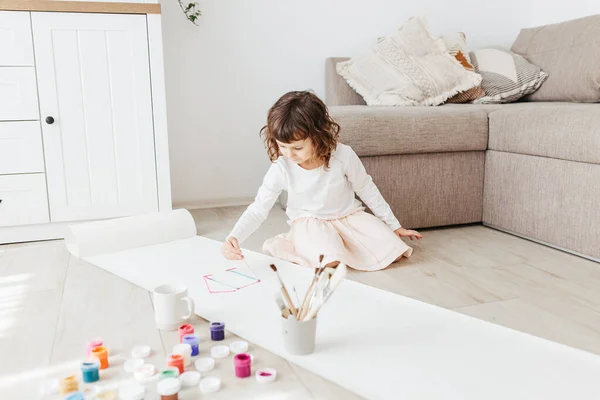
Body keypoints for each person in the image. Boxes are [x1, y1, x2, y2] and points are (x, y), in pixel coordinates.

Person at [221, 90, 422, 271]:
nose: (289, 154)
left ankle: (342, 244)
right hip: (311, 224)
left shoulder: (343, 155)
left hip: (349, 217)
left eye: (297, 148)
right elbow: (258, 209)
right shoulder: (282, 167)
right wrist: (234, 237)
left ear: (318, 136)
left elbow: (366, 188)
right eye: (282, 146)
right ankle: (292, 244)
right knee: (330, 262)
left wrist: (393, 225)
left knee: (394, 252)